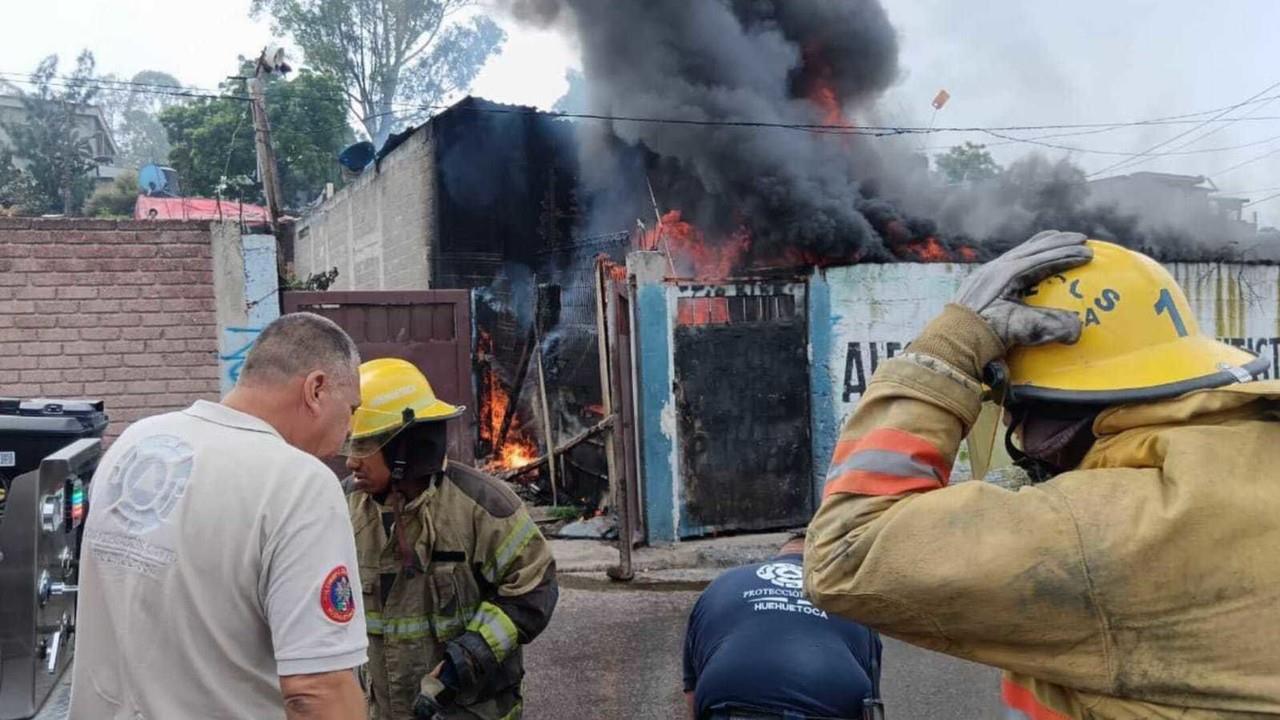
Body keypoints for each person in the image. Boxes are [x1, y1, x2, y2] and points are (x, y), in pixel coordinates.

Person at [805, 231, 1280, 718]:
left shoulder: (1105, 527)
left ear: (1051, 414)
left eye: (1011, 408)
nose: (1011, 427)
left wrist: (946, 351)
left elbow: (848, 551)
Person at [69, 313, 369, 720]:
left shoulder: (137, 442)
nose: (349, 432)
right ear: (316, 390)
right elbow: (318, 690)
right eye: (351, 409)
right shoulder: (300, 483)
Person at [343, 358, 558, 719]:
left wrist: (468, 657)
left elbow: (532, 588)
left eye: (363, 445)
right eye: (350, 444)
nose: (351, 461)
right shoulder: (344, 507)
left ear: (402, 447)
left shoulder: (483, 506)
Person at [684, 533, 883, 720]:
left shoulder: (723, 583)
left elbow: (692, 695)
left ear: (779, 555)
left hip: (730, 709)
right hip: (827, 709)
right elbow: (871, 705)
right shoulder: (850, 598)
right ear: (825, 561)